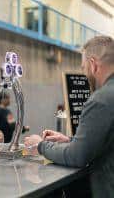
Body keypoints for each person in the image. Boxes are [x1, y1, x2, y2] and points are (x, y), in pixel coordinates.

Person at [24, 36, 114, 197]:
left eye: (83, 68)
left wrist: (40, 145)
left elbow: (77, 156)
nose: (84, 74)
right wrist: (70, 140)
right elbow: (105, 142)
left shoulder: (101, 99)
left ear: (93, 65)